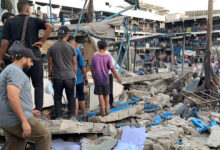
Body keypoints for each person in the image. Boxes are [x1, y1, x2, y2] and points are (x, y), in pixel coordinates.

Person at [0, 1, 53, 112]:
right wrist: (42, 41)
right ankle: (38, 111)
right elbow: (50, 26)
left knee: (20, 86)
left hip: (19, 60)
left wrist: (0, 58)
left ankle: (23, 111)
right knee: (38, 85)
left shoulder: (9, 22)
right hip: (34, 57)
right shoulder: (34, 20)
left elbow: (5, 43)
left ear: (18, 9)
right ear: (28, 9)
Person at [0, 48, 51, 150]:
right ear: (23, 59)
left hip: (6, 118)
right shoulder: (15, 71)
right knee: (44, 136)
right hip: (15, 118)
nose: (32, 64)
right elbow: (12, 96)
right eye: (31, 60)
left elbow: (7, 97)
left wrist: (29, 110)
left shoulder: (9, 70)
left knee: (16, 145)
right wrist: (24, 120)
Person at [48, 26, 77, 120]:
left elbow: (50, 63)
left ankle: (59, 116)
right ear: (67, 35)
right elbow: (75, 63)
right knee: (70, 97)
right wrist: (74, 74)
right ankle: (72, 116)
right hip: (69, 76)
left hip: (57, 77)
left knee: (57, 97)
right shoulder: (71, 48)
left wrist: (50, 75)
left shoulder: (52, 47)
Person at [90, 41, 121, 116]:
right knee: (106, 94)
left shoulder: (95, 56)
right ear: (105, 48)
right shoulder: (107, 56)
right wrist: (118, 77)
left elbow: (91, 68)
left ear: (98, 47)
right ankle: (107, 109)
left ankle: (102, 110)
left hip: (98, 78)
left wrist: (93, 75)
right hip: (106, 78)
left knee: (100, 94)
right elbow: (112, 68)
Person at [68, 36, 88, 119]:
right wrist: (85, 76)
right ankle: (83, 113)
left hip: (68, 77)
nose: (74, 42)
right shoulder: (76, 50)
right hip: (79, 77)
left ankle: (75, 115)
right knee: (81, 96)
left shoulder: (64, 50)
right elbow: (82, 64)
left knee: (74, 97)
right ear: (71, 41)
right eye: (74, 41)